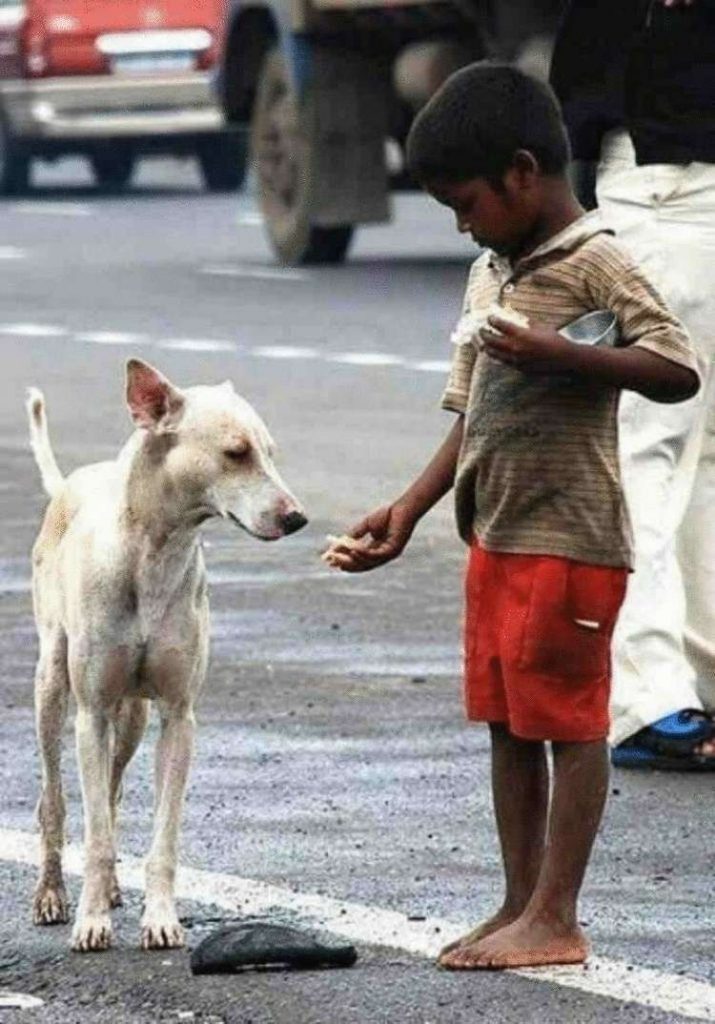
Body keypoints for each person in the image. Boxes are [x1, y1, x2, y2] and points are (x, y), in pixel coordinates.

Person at [322, 63, 699, 970]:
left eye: (465, 203)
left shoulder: (599, 257)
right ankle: (516, 900)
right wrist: (408, 510)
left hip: (571, 541)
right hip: (495, 535)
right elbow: (472, 410)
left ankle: (557, 916)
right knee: (507, 722)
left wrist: (562, 357)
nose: (461, 224)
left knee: (569, 725)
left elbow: (675, 367)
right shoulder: (489, 270)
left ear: (522, 173)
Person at [550, 0, 715, 769]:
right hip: (671, 177)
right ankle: (650, 697)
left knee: (690, 450)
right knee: (660, 444)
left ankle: (682, 684)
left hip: (676, 175)